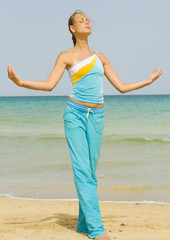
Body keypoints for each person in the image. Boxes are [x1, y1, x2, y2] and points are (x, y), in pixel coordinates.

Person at [7, 9, 163, 240]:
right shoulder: (66, 56)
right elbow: (50, 84)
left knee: (89, 172)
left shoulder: (101, 57)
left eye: (87, 19)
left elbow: (121, 87)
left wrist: (148, 81)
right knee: (83, 173)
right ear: (72, 28)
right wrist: (20, 82)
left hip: (97, 117)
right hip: (75, 115)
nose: (86, 22)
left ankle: (83, 223)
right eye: (81, 20)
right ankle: (97, 231)